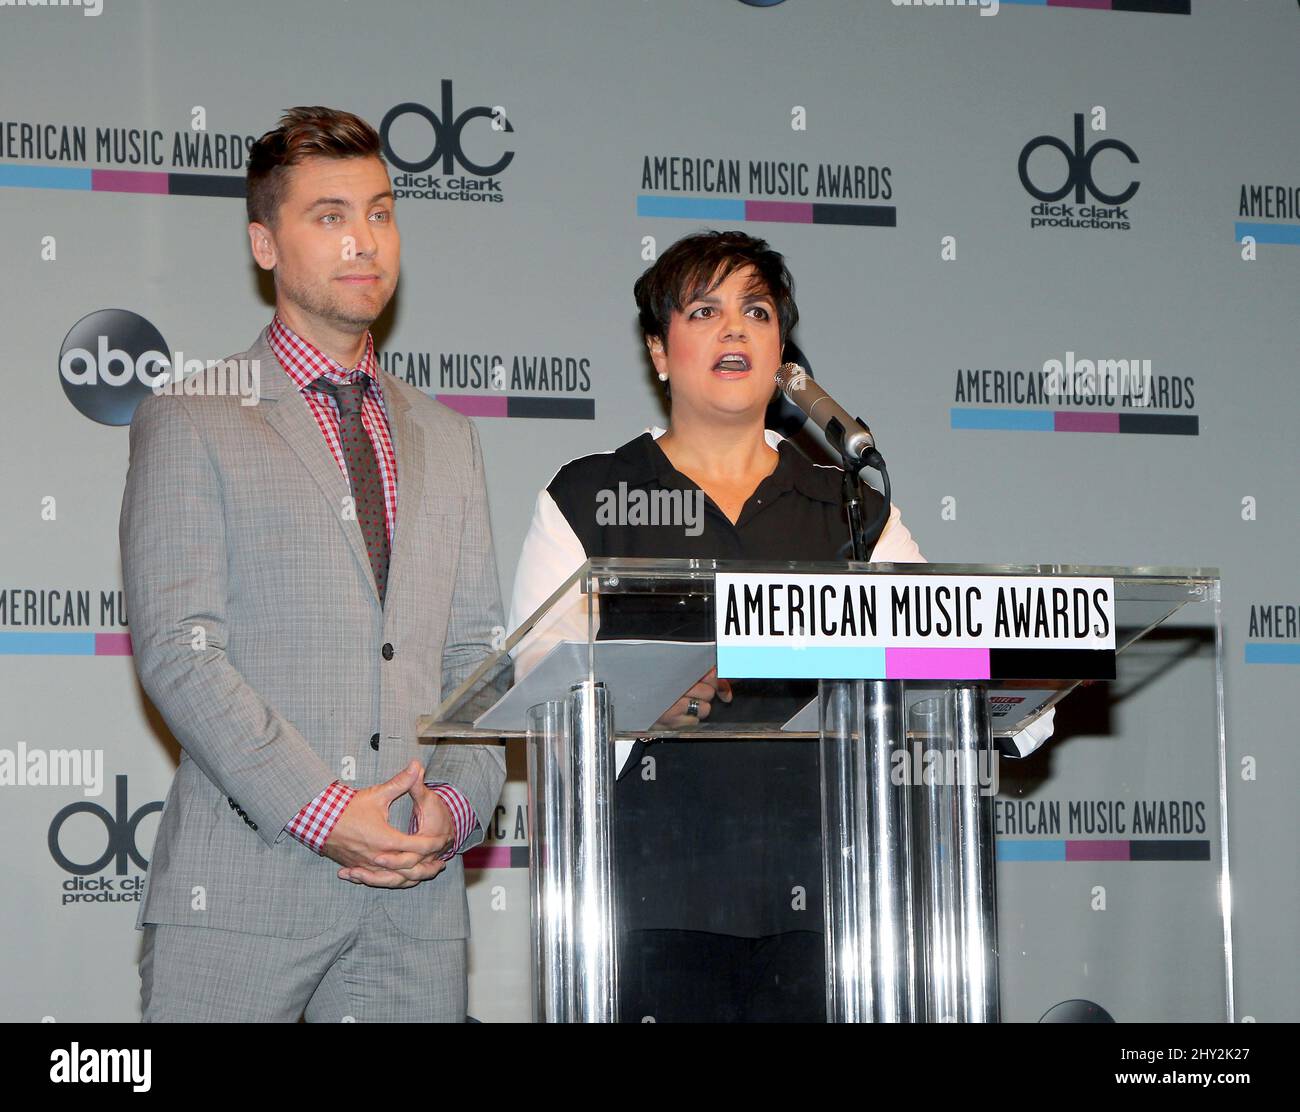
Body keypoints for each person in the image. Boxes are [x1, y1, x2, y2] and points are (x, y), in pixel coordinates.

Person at [509, 230, 1051, 1022]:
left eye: (757, 312)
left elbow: (946, 643)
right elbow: (535, 684)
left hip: (836, 904)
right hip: (652, 904)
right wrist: (639, 700)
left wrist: (1024, 667)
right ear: (659, 352)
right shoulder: (590, 497)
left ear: (781, 350)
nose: (736, 329)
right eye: (706, 310)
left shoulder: (850, 506)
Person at [120, 106, 508, 1022]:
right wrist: (326, 813)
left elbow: (482, 667)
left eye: (379, 212)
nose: (363, 240)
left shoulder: (450, 440)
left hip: (416, 908)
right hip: (242, 901)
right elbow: (180, 651)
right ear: (265, 242)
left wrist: (455, 806)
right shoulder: (191, 416)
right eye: (328, 216)